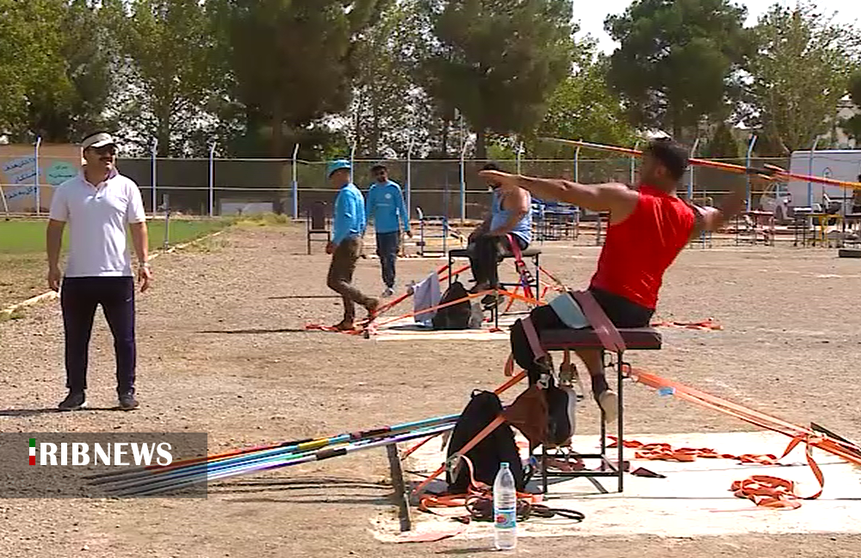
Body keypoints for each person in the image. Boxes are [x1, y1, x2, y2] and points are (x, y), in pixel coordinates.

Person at [479, 138, 768, 423]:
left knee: (524, 330)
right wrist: (747, 184)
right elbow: (723, 214)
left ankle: (546, 402)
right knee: (578, 322)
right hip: (639, 310)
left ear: (660, 171)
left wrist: (514, 179)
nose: (637, 171)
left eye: (644, 164)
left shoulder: (627, 198)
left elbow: (567, 190)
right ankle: (599, 384)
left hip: (605, 301)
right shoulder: (689, 217)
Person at [46, 131, 152, 411]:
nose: (109, 155)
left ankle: (126, 391)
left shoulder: (127, 187)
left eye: (112, 150)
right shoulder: (67, 189)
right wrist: (52, 265)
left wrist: (144, 262)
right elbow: (55, 227)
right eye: (101, 150)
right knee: (76, 338)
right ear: (86, 154)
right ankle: (76, 392)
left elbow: (138, 225)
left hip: (117, 276)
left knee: (125, 338)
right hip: (78, 277)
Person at [467, 163, 532, 307]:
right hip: (496, 236)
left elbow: (521, 211)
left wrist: (501, 230)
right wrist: (481, 229)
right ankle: (482, 281)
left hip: (516, 236)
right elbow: (494, 215)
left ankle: (494, 287)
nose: (488, 183)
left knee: (488, 243)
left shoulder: (517, 191)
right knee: (476, 239)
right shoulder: (498, 194)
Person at [326, 160, 379, 330]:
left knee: (334, 281)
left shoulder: (346, 194)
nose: (332, 181)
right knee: (345, 282)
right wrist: (360, 239)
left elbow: (347, 219)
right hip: (355, 238)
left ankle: (368, 302)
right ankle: (348, 319)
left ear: (340, 174)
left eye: (332, 177)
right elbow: (362, 219)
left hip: (347, 240)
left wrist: (335, 241)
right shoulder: (356, 192)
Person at [365, 163, 412, 297]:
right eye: (378, 174)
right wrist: (362, 227)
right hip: (380, 229)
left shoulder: (393, 188)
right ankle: (387, 281)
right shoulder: (373, 190)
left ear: (386, 173)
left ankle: (390, 284)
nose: (381, 176)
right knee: (382, 256)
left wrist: (407, 227)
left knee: (390, 256)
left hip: (393, 229)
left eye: (382, 173)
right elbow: (369, 209)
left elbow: (402, 208)